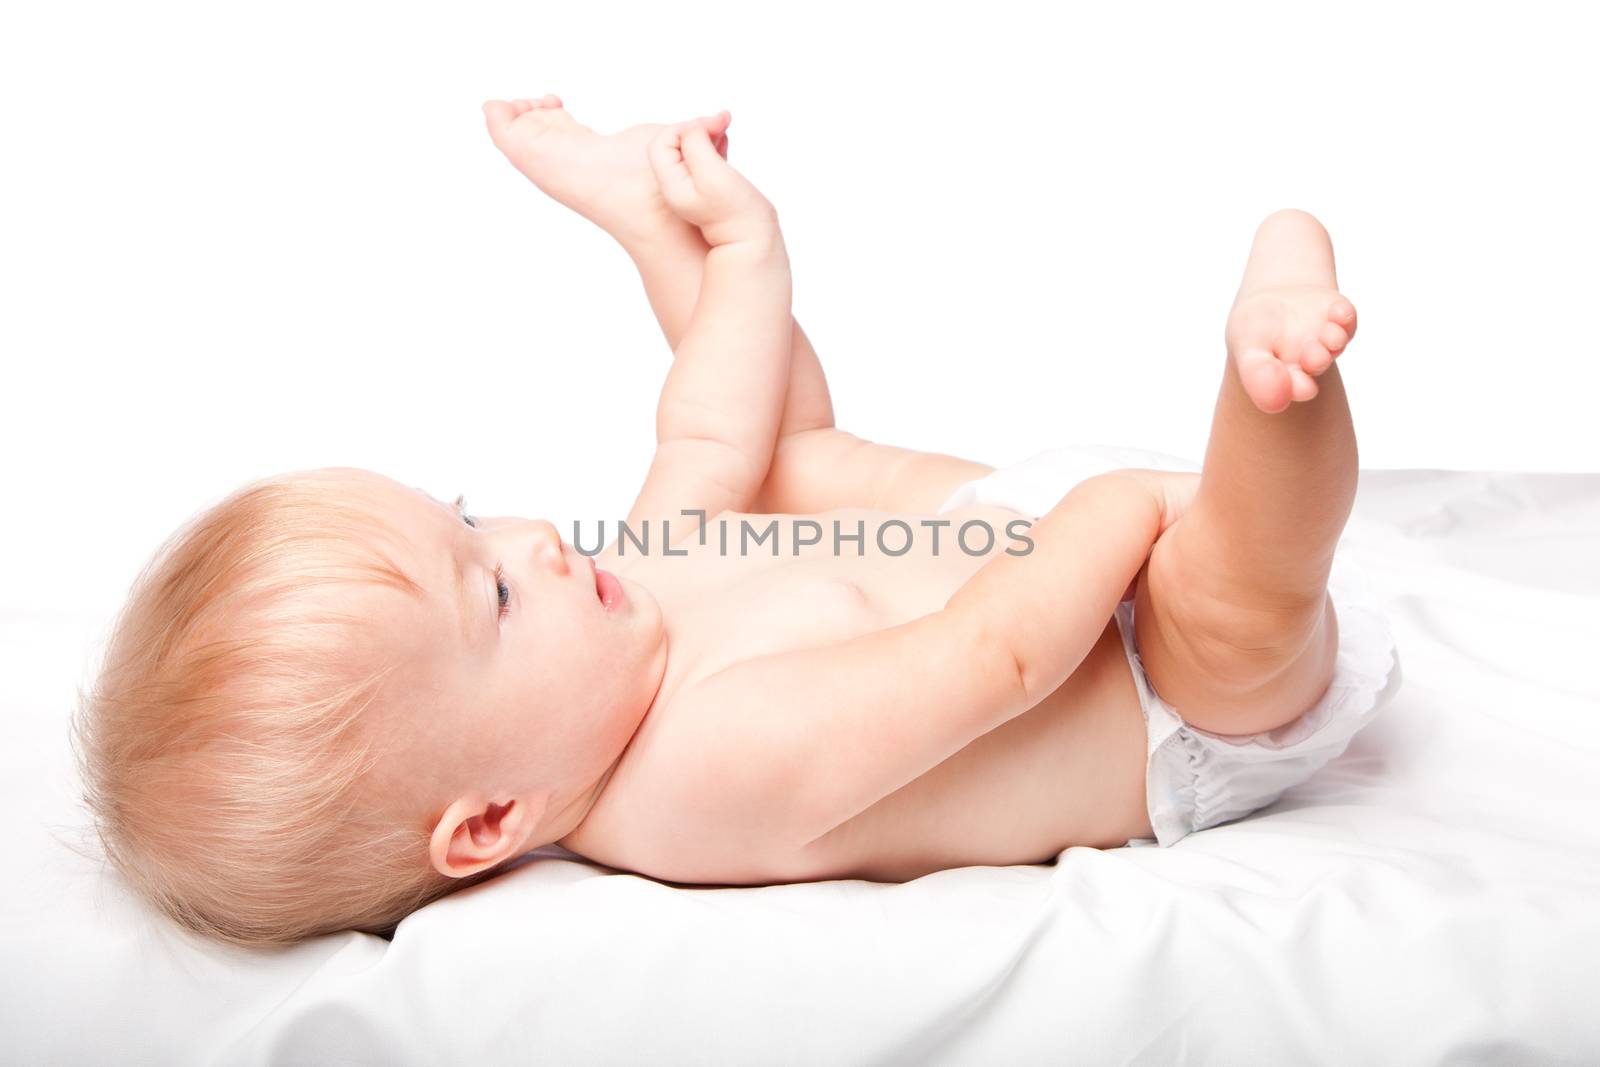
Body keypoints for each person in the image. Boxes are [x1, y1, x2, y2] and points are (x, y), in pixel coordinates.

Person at [71, 95, 1398, 946]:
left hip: (1030, 558)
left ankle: (661, 222)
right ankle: (1273, 383)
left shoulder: (613, 628)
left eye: (469, 521)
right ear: (490, 820)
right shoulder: (692, 779)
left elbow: (709, 435)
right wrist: (1114, 511)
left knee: (789, 464)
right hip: (1157, 696)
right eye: (491, 596)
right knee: (1243, 598)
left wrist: (739, 256)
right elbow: (993, 664)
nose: (536, 541)